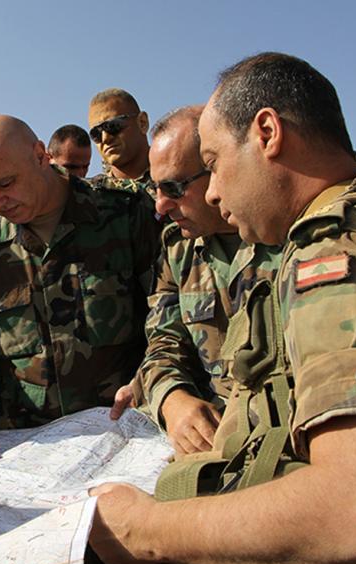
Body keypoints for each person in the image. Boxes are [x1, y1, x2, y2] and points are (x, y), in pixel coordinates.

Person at [89, 52, 356, 564]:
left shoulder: (335, 251)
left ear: (267, 132)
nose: (215, 190)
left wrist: (145, 531)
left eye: (215, 164)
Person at [0, 114, 161, 470]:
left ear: (40, 155)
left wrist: (153, 379)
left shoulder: (125, 213)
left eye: (5, 184)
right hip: (24, 448)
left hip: (126, 437)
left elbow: (167, 314)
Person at [111, 106, 242, 456]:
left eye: (174, 187)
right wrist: (173, 399)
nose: (160, 206)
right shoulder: (179, 250)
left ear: (217, 168)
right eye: (156, 188)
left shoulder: (291, 239)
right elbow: (163, 344)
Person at [87, 88, 153, 198]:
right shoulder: (92, 196)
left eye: (113, 126)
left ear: (142, 123)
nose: (105, 139)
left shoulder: (178, 181)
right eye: (96, 133)